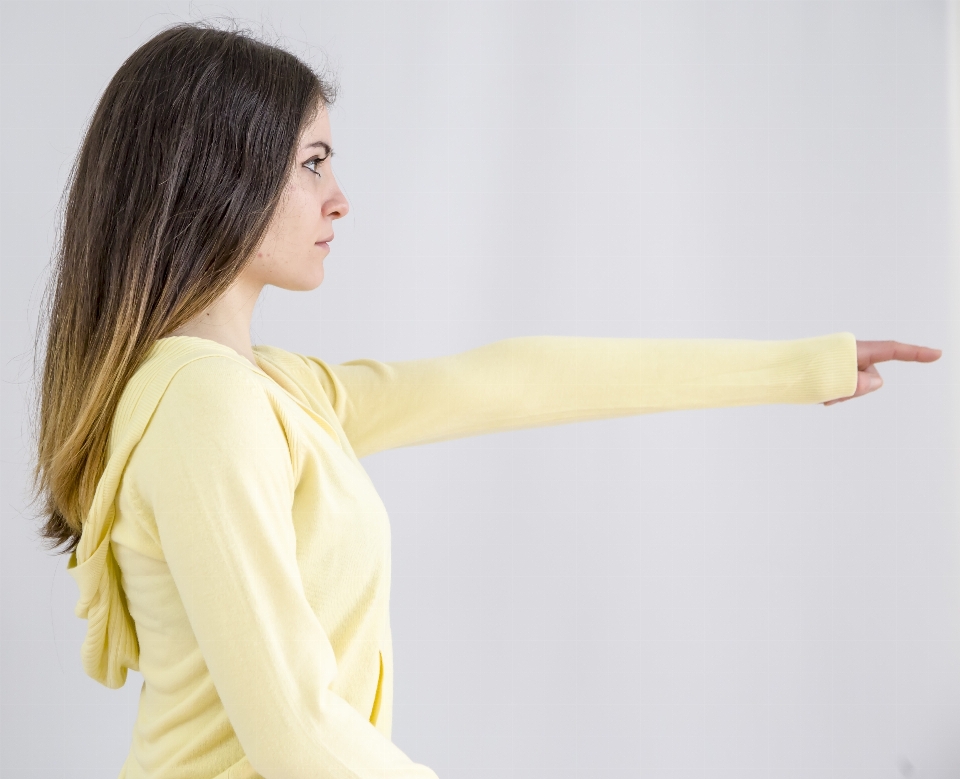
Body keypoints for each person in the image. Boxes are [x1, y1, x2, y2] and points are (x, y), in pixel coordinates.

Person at [29, 22, 942, 779]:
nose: (340, 199)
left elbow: (512, 379)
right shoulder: (201, 407)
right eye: (312, 163)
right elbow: (296, 728)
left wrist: (799, 367)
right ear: (218, 172)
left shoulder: (269, 390)